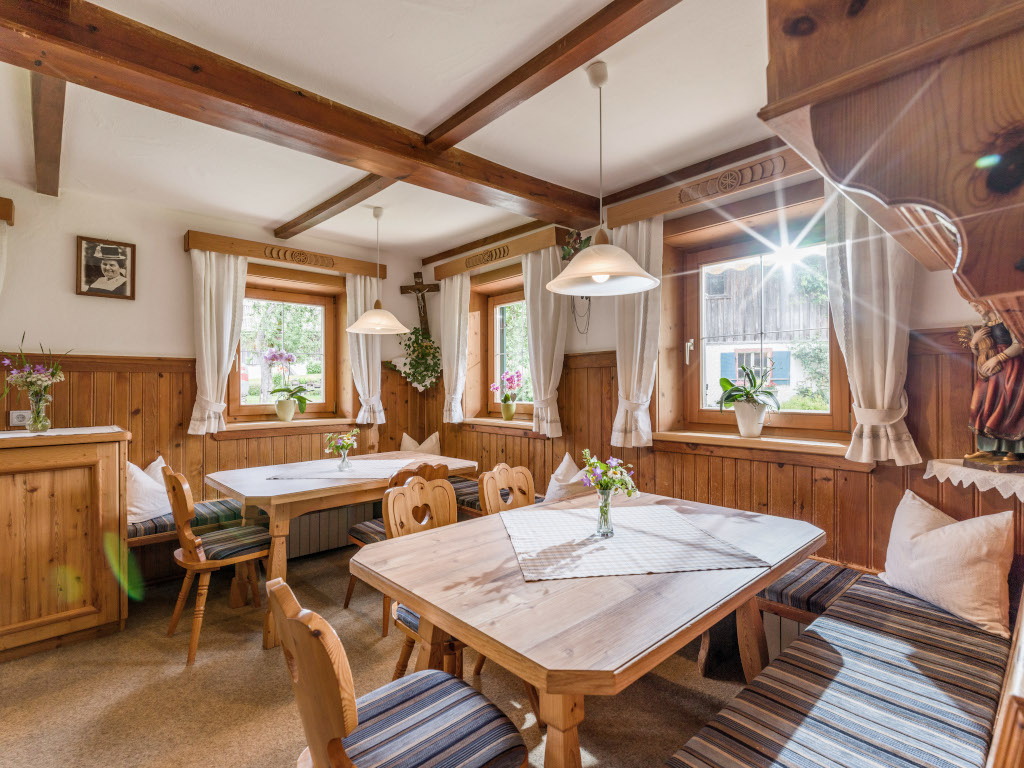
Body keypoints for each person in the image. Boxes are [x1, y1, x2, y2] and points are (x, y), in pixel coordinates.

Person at [965, 300, 1024, 461]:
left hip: (1011, 367)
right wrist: (974, 342)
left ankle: (1013, 450)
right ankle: (988, 448)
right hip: (991, 371)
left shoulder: (1008, 318)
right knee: (983, 404)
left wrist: (998, 358)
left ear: (987, 302)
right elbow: (981, 352)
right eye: (971, 305)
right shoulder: (986, 323)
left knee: (1008, 406)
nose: (975, 309)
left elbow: (1019, 344)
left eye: (977, 304)